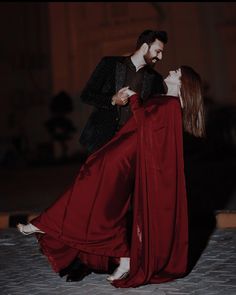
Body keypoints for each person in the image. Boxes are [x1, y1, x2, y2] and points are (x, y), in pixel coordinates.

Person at [17, 65, 205, 288]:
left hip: (126, 156)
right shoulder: (164, 99)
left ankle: (45, 223)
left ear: (183, 84)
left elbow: (148, 128)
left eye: (178, 73)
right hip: (119, 151)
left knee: (91, 185)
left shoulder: (173, 104)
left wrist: (135, 99)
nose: (172, 72)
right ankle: (123, 256)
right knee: (108, 204)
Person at [79, 29, 168, 155]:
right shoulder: (109, 64)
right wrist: (113, 100)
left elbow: (155, 114)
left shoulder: (156, 79)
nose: (160, 57)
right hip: (104, 141)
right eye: (157, 52)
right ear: (144, 47)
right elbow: (86, 95)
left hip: (135, 142)